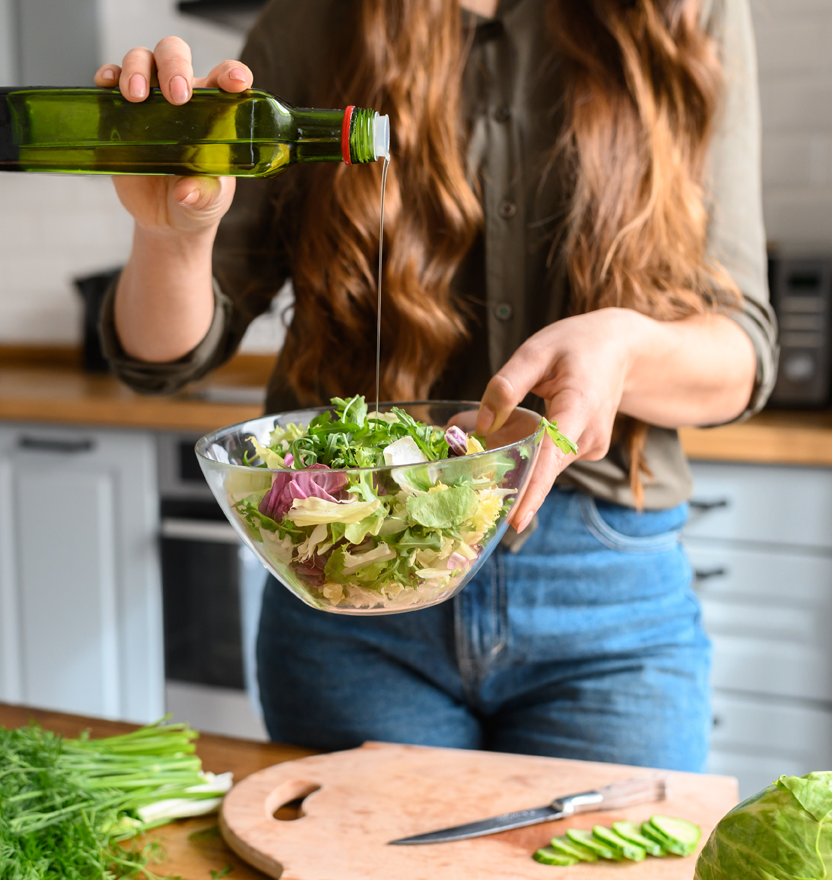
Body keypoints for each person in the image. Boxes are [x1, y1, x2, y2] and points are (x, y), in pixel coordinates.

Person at [96, 0, 776, 772]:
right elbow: (164, 355)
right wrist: (169, 236)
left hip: (604, 598)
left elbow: (741, 352)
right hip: (350, 576)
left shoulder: (685, 12)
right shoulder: (310, 24)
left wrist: (625, 347)